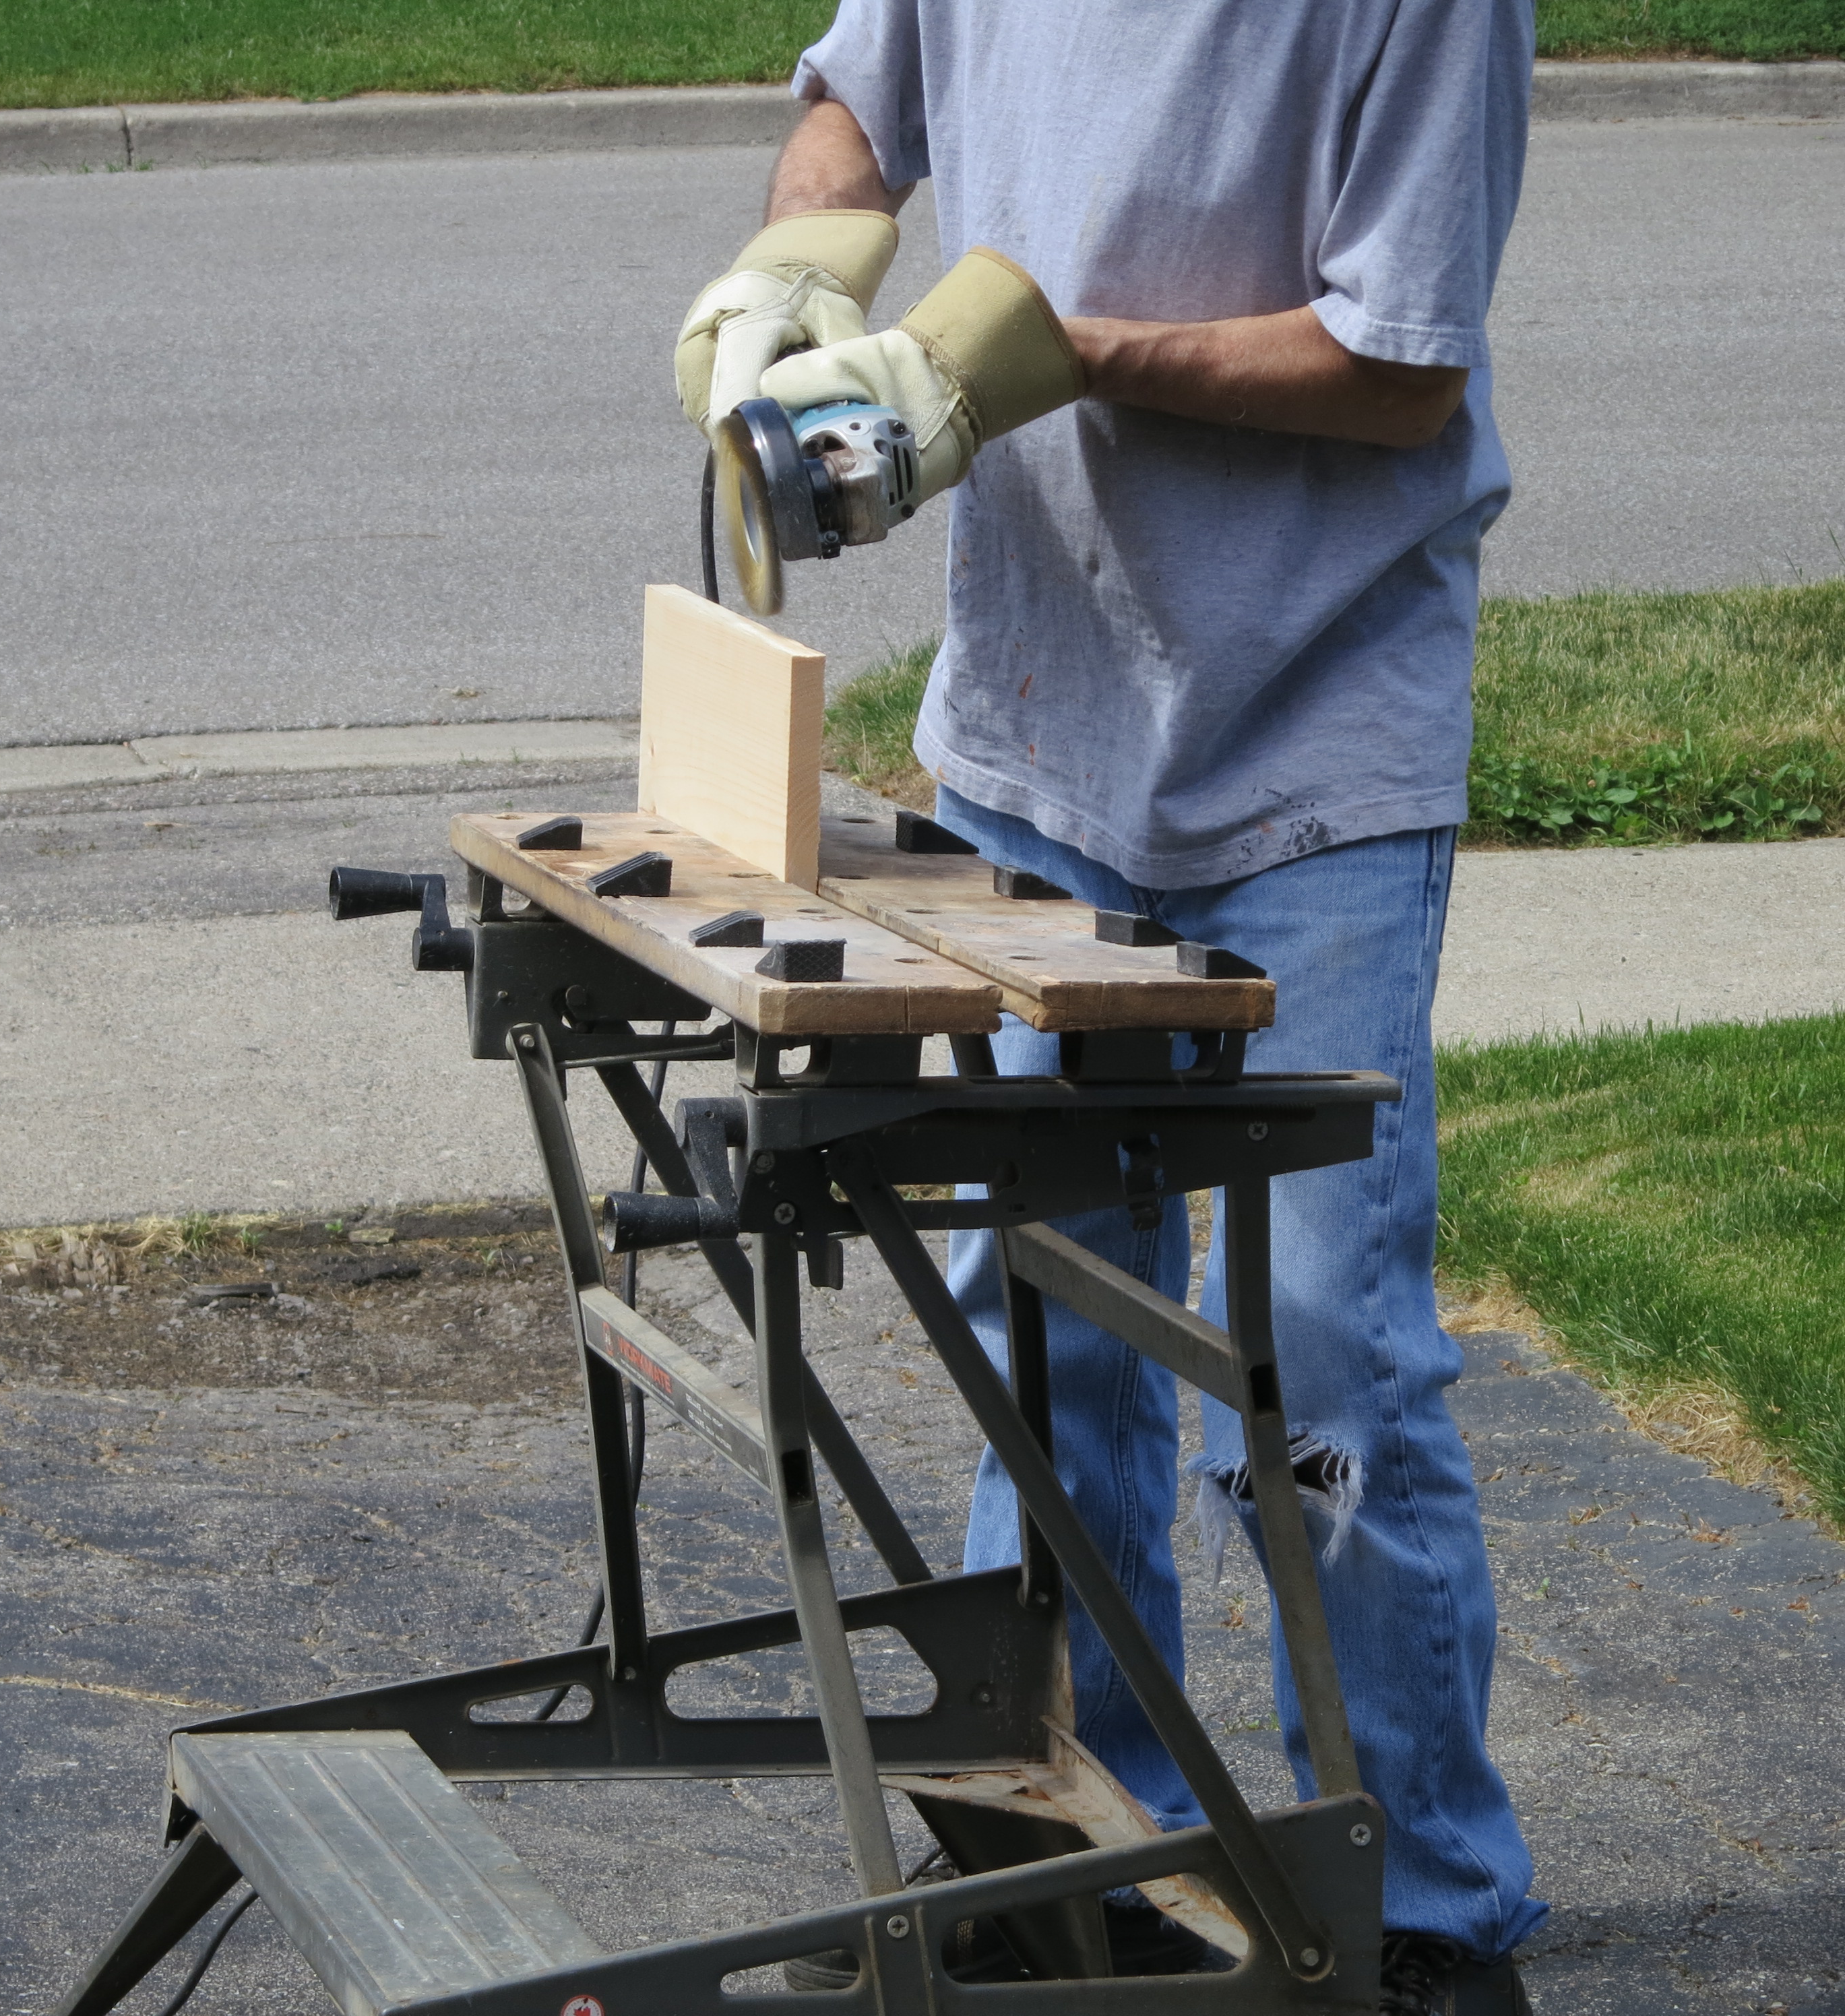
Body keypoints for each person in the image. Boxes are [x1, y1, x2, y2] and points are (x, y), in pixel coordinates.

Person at [675, 5, 1544, 2009]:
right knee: (1044, 1320)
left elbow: (1400, 373)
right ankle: (1072, 1854)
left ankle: (1423, 1907)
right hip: (1038, 737)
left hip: (1314, 749)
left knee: (1321, 1353)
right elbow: (852, 106)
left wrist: (1037, 360)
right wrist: (789, 280)